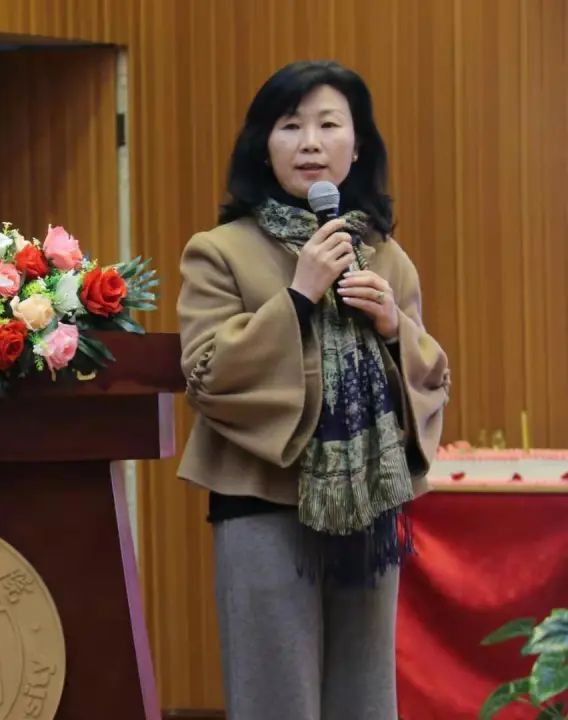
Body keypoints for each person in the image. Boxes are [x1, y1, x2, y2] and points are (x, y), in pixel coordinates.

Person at [176, 60, 451, 719]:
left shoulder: (385, 254)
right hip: (262, 502)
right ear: (262, 147)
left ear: (356, 149)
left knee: (364, 698)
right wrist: (297, 296)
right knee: (276, 697)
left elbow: (431, 377)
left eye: (329, 125)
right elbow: (208, 374)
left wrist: (393, 329)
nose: (310, 143)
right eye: (290, 126)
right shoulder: (218, 251)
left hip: (369, 506)